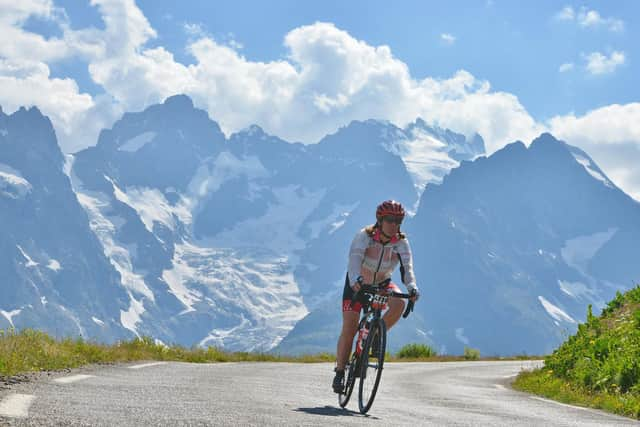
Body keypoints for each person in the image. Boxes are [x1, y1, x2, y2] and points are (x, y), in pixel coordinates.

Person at [332, 200, 420, 393]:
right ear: (380, 220)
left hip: (381, 284)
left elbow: (408, 269)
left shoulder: (401, 242)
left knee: (398, 304)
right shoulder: (364, 236)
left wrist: (412, 287)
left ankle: (375, 335)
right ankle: (340, 371)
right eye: (390, 220)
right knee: (349, 329)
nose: (394, 224)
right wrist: (356, 280)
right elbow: (354, 261)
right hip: (358, 284)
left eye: (398, 220)